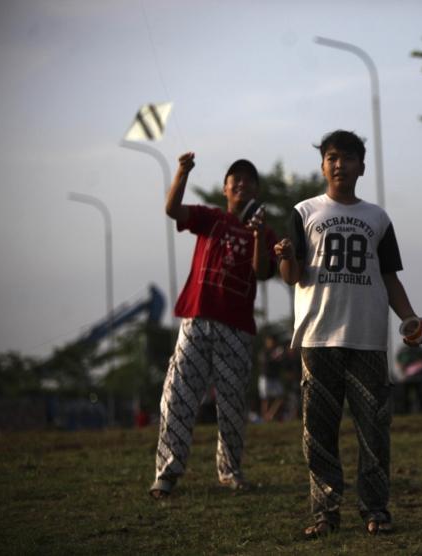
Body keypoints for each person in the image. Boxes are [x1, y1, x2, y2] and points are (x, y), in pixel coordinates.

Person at [275, 130, 422, 538]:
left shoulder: (378, 218)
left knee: (374, 428)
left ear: (362, 165)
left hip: (367, 339)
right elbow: (292, 277)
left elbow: (388, 276)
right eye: (331, 157)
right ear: (323, 165)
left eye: (347, 157)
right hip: (318, 337)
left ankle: (376, 509)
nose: (338, 164)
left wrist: (409, 317)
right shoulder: (305, 211)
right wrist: (287, 258)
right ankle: (325, 512)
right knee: (318, 432)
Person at [149, 152, 277, 498]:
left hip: (235, 326)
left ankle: (230, 470)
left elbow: (262, 272)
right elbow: (173, 210)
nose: (242, 183)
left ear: (256, 190)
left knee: (233, 401)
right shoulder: (212, 218)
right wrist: (182, 172)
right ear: (225, 189)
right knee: (178, 394)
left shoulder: (264, 232)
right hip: (197, 318)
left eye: (249, 180)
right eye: (236, 179)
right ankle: (168, 472)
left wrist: (258, 235)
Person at [257, 334, 287, 422]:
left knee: (281, 396)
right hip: (265, 377)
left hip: (275, 378)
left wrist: (279, 359)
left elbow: (281, 364)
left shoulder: (278, 351)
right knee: (265, 399)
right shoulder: (264, 352)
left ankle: (270, 415)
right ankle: (264, 418)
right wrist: (273, 358)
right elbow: (264, 362)